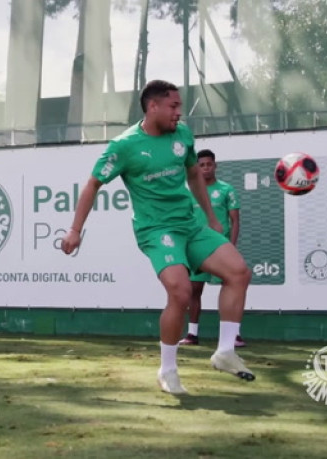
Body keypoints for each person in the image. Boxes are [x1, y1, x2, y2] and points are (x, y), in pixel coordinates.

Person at [61, 80, 255, 394]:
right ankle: (167, 369)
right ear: (153, 107)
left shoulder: (183, 135)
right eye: (173, 106)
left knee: (239, 272)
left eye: (180, 106)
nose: (179, 112)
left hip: (190, 225)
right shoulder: (125, 146)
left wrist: (209, 217)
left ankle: (225, 352)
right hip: (156, 230)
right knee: (180, 292)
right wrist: (74, 230)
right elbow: (92, 185)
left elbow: (193, 174)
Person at [178, 149, 247, 348]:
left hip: (221, 248)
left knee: (232, 286)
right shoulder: (190, 192)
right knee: (194, 290)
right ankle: (192, 334)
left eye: (209, 164)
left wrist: (231, 246)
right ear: (197, 168)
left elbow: (235, 221)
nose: (206, 168)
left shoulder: (227, 190)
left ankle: (234, 335)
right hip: (198, 248)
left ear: (215, 166)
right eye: (202, 165)